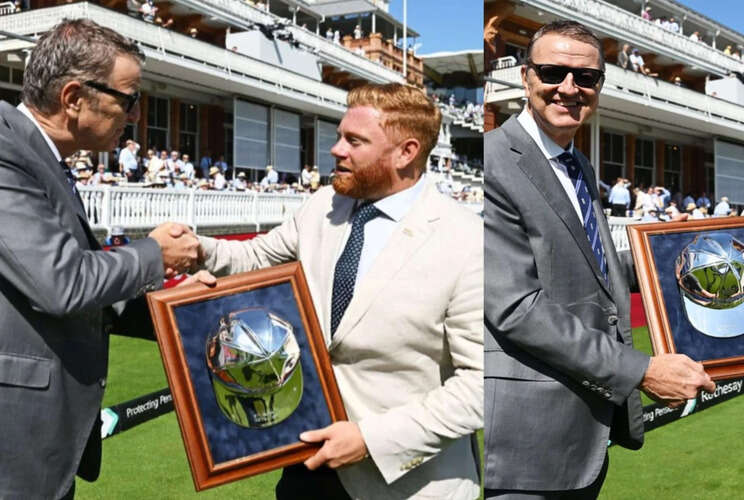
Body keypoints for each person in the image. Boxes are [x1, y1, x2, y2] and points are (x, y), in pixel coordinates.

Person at [198, 83, 482, 499]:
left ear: (406, 152)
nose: (335, 150)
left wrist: (371, 439)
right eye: (338, 136)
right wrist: (194, 250)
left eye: (354, 141)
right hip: (305, 463)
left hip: (406, 482)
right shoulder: (322, 206)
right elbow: (256, 258)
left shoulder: (466, 239)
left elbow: (479, 385)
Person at [483, 20, 714, 498]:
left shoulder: (579, 164)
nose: (569, 88)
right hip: (529, 437)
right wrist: (643, 371)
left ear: (599, 87)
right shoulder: (493, 161)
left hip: (584, 429)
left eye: (585, 78)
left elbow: (590, 266)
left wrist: (673, 258)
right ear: (526, 77)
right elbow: (516, 308)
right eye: (552, 72)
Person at [0, 19, 200, 499]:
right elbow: (63, 283)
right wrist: (156, 253)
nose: (134, 116)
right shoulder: (7, 151)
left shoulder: (40, 157)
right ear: (73, 98)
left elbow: (80, 289)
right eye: (128, 100)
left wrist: (170, 311)